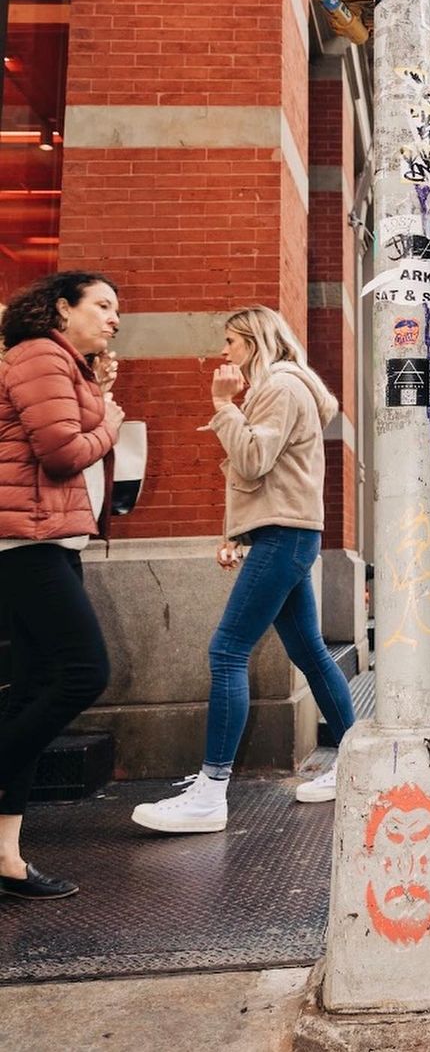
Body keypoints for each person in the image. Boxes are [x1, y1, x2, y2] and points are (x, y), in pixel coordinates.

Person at [131, 306, 355, 833]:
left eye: (231, 341)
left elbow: (254, 459)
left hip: (285, 535)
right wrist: (237, 533)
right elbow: (266, 473)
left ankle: (210, 794)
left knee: (228, 650)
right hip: (284, 532)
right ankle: (355, 764)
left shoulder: (280, 388)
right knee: (308, 651)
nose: (224, 351)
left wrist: (222, 406)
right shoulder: (280, 387)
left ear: (255, 342)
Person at [0, 271, 124, 899]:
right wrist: (112, 423)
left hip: (47, 537)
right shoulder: (40, 356)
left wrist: (97, 394)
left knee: (29, 692)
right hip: (28, 542)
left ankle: (6, 860)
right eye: (101, 305)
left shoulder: (60, 362)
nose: (113, 318)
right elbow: (61, 453)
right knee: (83, 672)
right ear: (60, 308)